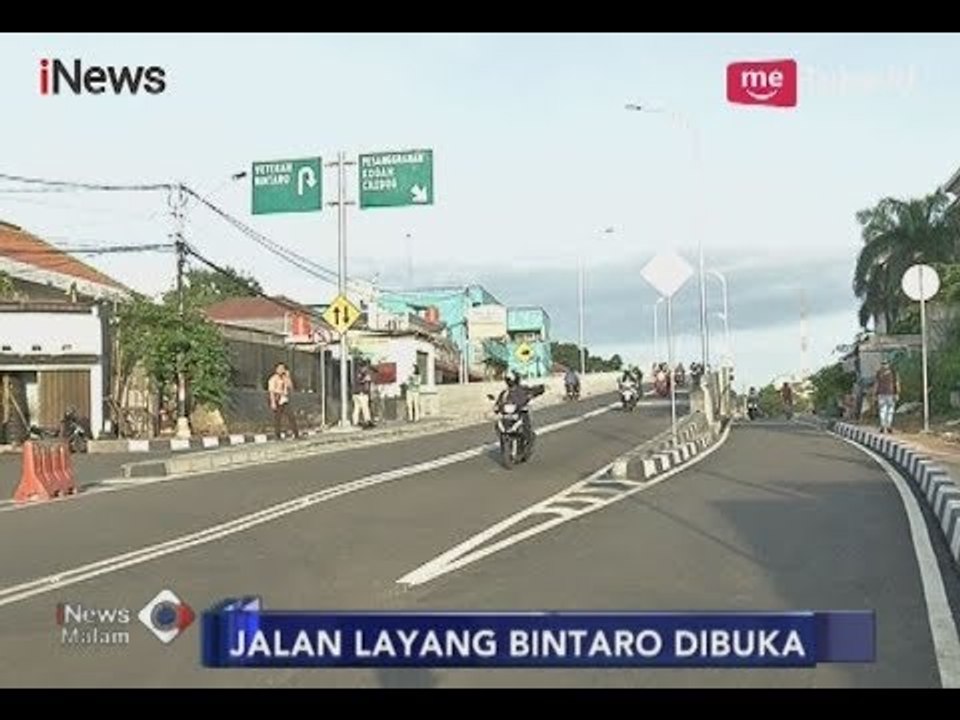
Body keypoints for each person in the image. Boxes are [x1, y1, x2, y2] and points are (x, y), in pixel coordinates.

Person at [494, 371, 545, 453]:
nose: (509, 381)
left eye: (510, 379)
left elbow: (533, 390)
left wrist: (538, 390)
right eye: (508, 379)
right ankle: (504, 442)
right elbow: (499, 402)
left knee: (526, 422)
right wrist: (496, 407)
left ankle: (528, 439)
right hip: (508, 415)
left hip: (521, 412)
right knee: (498, 425)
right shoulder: (505, 392)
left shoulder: (523, 389)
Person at [267, 363, 299, 439]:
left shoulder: (285, 378)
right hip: (277, 399)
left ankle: (296, 434)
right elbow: (271, 392)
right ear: (276, 369)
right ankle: (277, 435)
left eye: (283, 368)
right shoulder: (273, 379)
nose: (282, 370)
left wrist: (288, 377)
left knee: (291, 416)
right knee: (277, 418)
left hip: (284, 399)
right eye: (280, 368)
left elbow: (291, 387)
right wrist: (273, 402)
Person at [874, 360, 899, 434]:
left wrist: (897, 393)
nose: (884, 365)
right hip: (885, 394)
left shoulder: (881, 373)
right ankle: (887, 426)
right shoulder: (892, 372)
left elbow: (896, 383)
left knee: (885, 411)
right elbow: (876, 383)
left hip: (888, 394)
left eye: (885, 364)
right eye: (883, 364)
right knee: (887, 411)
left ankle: (885, 426)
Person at [351, 361, 373, 428]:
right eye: (365, 367)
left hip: (356, 393)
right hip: (361, 393)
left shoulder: (356, 373)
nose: (366, 369)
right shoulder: (360, 373)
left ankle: (355, 422)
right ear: (362, 367)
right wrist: (366, 379)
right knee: (364, 407)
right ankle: (367, 420)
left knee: (357, 408)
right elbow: (360, 381)